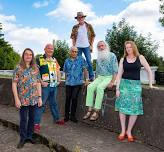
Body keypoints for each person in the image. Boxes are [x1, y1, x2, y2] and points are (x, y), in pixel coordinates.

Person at [115, 41, 155, 142]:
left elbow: (149, 70)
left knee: (135, 110)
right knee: (122, 109)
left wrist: (150, 84)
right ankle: (123, 131)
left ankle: (129, 131)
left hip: (136, 86)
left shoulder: (140, 57)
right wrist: (117, 89)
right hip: (124, 86)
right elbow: (119, 75)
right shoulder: (122, 59)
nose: (128, 49)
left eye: (130, 47)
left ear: (134, 48)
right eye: (126, 48)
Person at [12, 48, 42, 149]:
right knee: (23, 119)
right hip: (22, 99)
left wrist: (40, 97)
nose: (28, 56)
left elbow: (38, 83)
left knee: (32, 119)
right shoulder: (18, 68)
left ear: (32, 56)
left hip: (34, 98)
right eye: (26, 54)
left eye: (30, 54)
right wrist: (16, 99)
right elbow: (14, 83)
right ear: (23, 55)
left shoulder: (36, 68)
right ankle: (23, 138)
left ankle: (29, 136)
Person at [83, 41, 118, 121]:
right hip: (99, 77)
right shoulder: (98, 57)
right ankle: (89, 109)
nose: (101, 47)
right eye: (99, 46)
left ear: (106, 46)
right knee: (90, 87)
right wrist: (94, 80)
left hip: (109, 77)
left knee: (99, 88)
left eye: (102, 45)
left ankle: (96, 111)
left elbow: (115, 70)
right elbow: (97, 71)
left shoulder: (112, 55)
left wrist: (112, 82)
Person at [34, 43, 64, 133]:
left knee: (53, 103)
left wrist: (59, 80)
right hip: (44, 86)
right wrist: (41, 82)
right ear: (45, 49)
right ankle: (36, 123)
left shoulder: (55, 59)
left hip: (53, 86)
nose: (50, 50)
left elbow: (58, 70)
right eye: (48, 48)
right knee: (41, 104)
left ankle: (57, 119)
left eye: (52, 49)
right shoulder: (39, 59)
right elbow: (35, 72)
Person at [63, 46, 89, 123]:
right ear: (70, 52)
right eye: (73, 51)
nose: (74, 53)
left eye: (76, 51)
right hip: (68, 83)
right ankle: (66, 116)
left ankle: (73, 116)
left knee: (74, 98)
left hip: (77, 82)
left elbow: (85, 70)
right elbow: (65, 71)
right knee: (67, 99)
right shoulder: (67, 61)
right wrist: (65, 80)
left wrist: (86, 79)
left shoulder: (81, 59)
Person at [70, 12, 95, 81]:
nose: (80, 18)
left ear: (84, 18)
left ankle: (91, 76)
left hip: (87, 46)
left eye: (81, 17)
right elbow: (73, 37)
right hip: (78, 47)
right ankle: (79, 77)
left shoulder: (89, 26)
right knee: (78, 62)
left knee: (89, 61)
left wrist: (91, 45)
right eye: (79, 18)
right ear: (77, 19)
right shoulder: (75, 27)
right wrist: (73, 46)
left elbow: (93, 35)